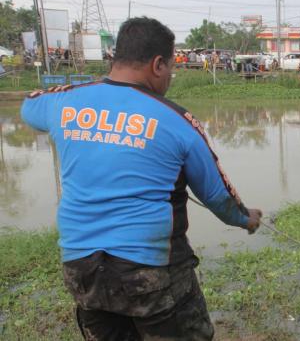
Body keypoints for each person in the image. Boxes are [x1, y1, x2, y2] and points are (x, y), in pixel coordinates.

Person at [20, 17, 262, 340]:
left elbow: (28, 106)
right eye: (172, 68)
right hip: (149, 274)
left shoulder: (64, 103)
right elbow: (217, 195)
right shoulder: (177, 121)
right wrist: (246, 219)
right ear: (158, 65)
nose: (171, 77)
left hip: (82, 270)